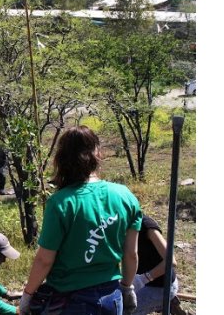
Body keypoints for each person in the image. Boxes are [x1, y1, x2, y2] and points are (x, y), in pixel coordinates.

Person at [19, 126, 142, 315]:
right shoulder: (125, 196)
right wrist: (127, 287)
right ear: (97, 153)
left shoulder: (61, 203)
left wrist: (28, 294)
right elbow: (131, 254)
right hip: (111, 296)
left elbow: (44, 260)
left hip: (71, 300)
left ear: (61, 160)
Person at [131, 215, 188, 315]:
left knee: (125, 310)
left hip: (161, 286)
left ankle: (165, 302)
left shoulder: (146, 224)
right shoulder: (118, 225)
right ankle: (168, 304)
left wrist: (143, 279)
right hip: (143, 284)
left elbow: (171, 261)